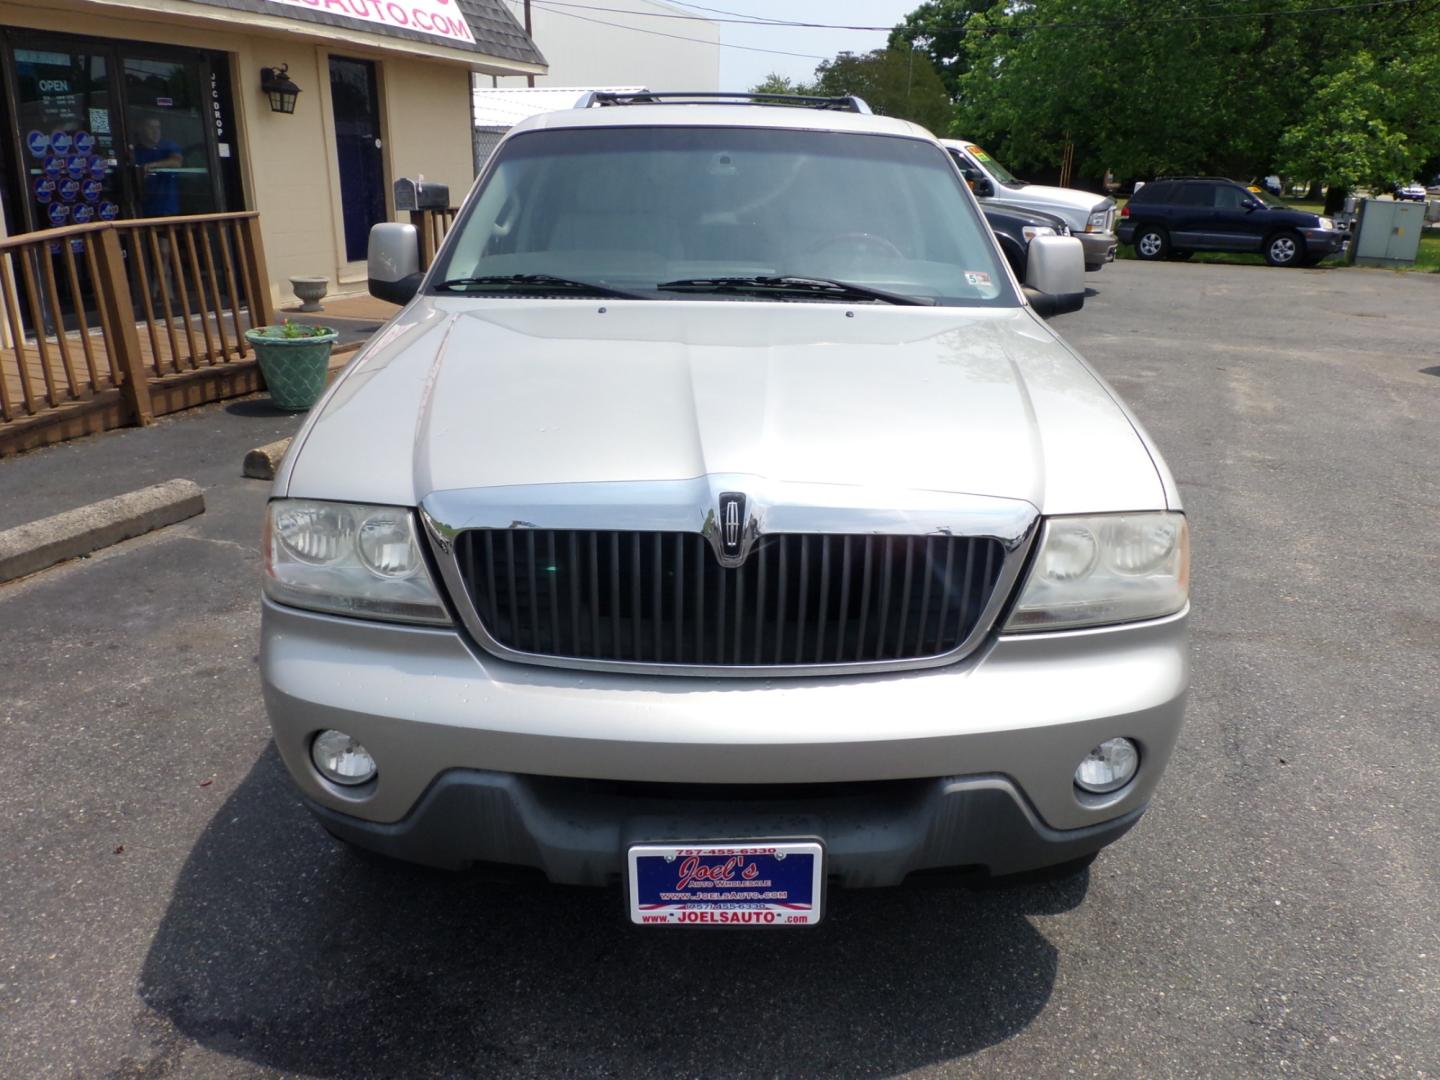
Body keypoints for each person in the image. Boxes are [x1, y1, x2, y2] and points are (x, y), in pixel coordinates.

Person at [132, 117, 182, 217]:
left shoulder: (168, 146)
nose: (155, 131)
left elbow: (176, 162)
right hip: (144, 209)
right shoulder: (135, 151)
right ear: (141, 130)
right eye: (151, 127)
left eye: (158, 128)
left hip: (167, 208)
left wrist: (152, 165)